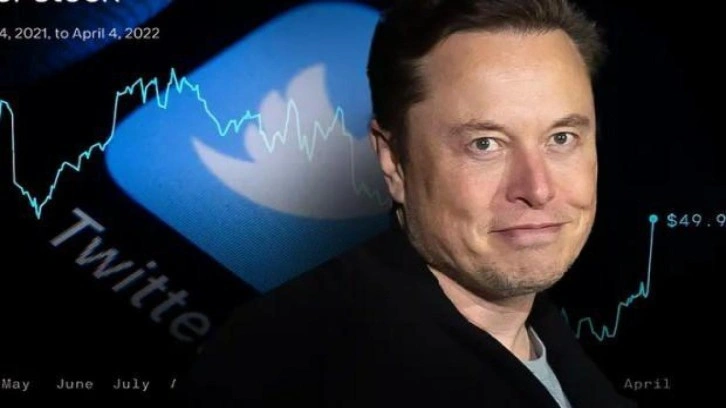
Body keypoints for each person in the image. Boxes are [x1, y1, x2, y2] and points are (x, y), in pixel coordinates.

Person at [175, 0, 638, 406]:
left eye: (562, 138)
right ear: (393, 161)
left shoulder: (550, 342)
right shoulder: (286, 365)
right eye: (484, 144)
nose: (537, 189)